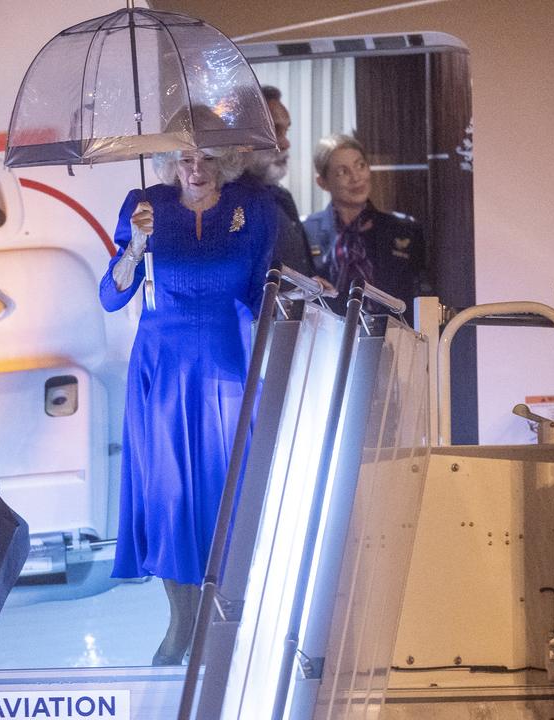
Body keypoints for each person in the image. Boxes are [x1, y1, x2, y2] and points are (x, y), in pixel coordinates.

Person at [100, 144, 276, 665]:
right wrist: (135, 245)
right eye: (183, 158)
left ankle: (229, 619)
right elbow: (112, 296)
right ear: (168, 162)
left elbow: (263, 285)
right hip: (163, 370)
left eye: (205, 158)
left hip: (230, 362)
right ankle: (183, 624)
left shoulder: (256, 207)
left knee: (231, 491)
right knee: (169, 496)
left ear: (224, 161)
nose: (195, 169)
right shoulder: (144, 204)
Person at [303, 134, 429, 318]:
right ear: (322, 182)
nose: (355, 178)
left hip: (392, 337)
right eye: (342, 172)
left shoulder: (405, 230)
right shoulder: (307, 231)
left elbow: (422, 296)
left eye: (360, 166)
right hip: (328, 339)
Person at [239, 85, 316, 277]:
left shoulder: (280, 196)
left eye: (286, 130)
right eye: (274, 130)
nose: (286, 143)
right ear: (241, 135)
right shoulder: (221, 200)